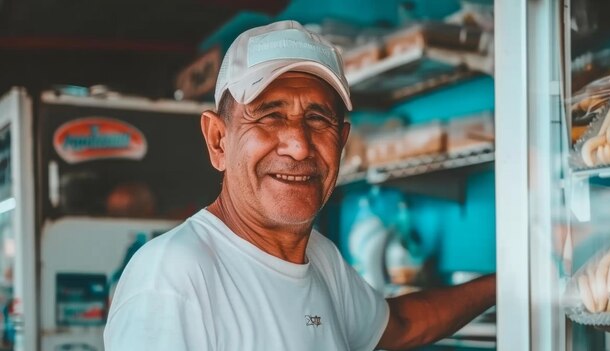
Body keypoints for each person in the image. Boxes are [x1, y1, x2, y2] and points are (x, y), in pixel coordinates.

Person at [103, 20, 495, 351]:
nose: (299, 144)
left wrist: (511, 282)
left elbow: (402, 325)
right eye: (269, 116)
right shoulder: (173, 276)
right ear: (218, 141)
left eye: (318, 118)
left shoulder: (322, 259)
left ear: (341, 141)